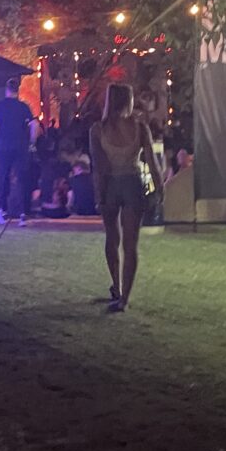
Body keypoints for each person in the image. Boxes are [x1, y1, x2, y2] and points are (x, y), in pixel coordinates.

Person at [90, 84, 162, 313]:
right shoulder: (140, 128)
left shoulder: (98, 130)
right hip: (132, 183)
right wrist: (159, 188)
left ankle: (117, 285)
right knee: (131, 245)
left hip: (110, 184)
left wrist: (99, 193)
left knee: (112, 238)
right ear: (129, 101)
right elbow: (152, 163)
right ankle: (124, 298)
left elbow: (98, 167)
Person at [0, 78, 38, 225]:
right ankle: (23, 213)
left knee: (2, 178)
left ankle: (1, 210)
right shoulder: (24, 107)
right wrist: (32, 142)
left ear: (6, 89)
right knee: (22, 179)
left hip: (3, 147)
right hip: (21, 146)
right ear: (18, 90)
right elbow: (34, 124)